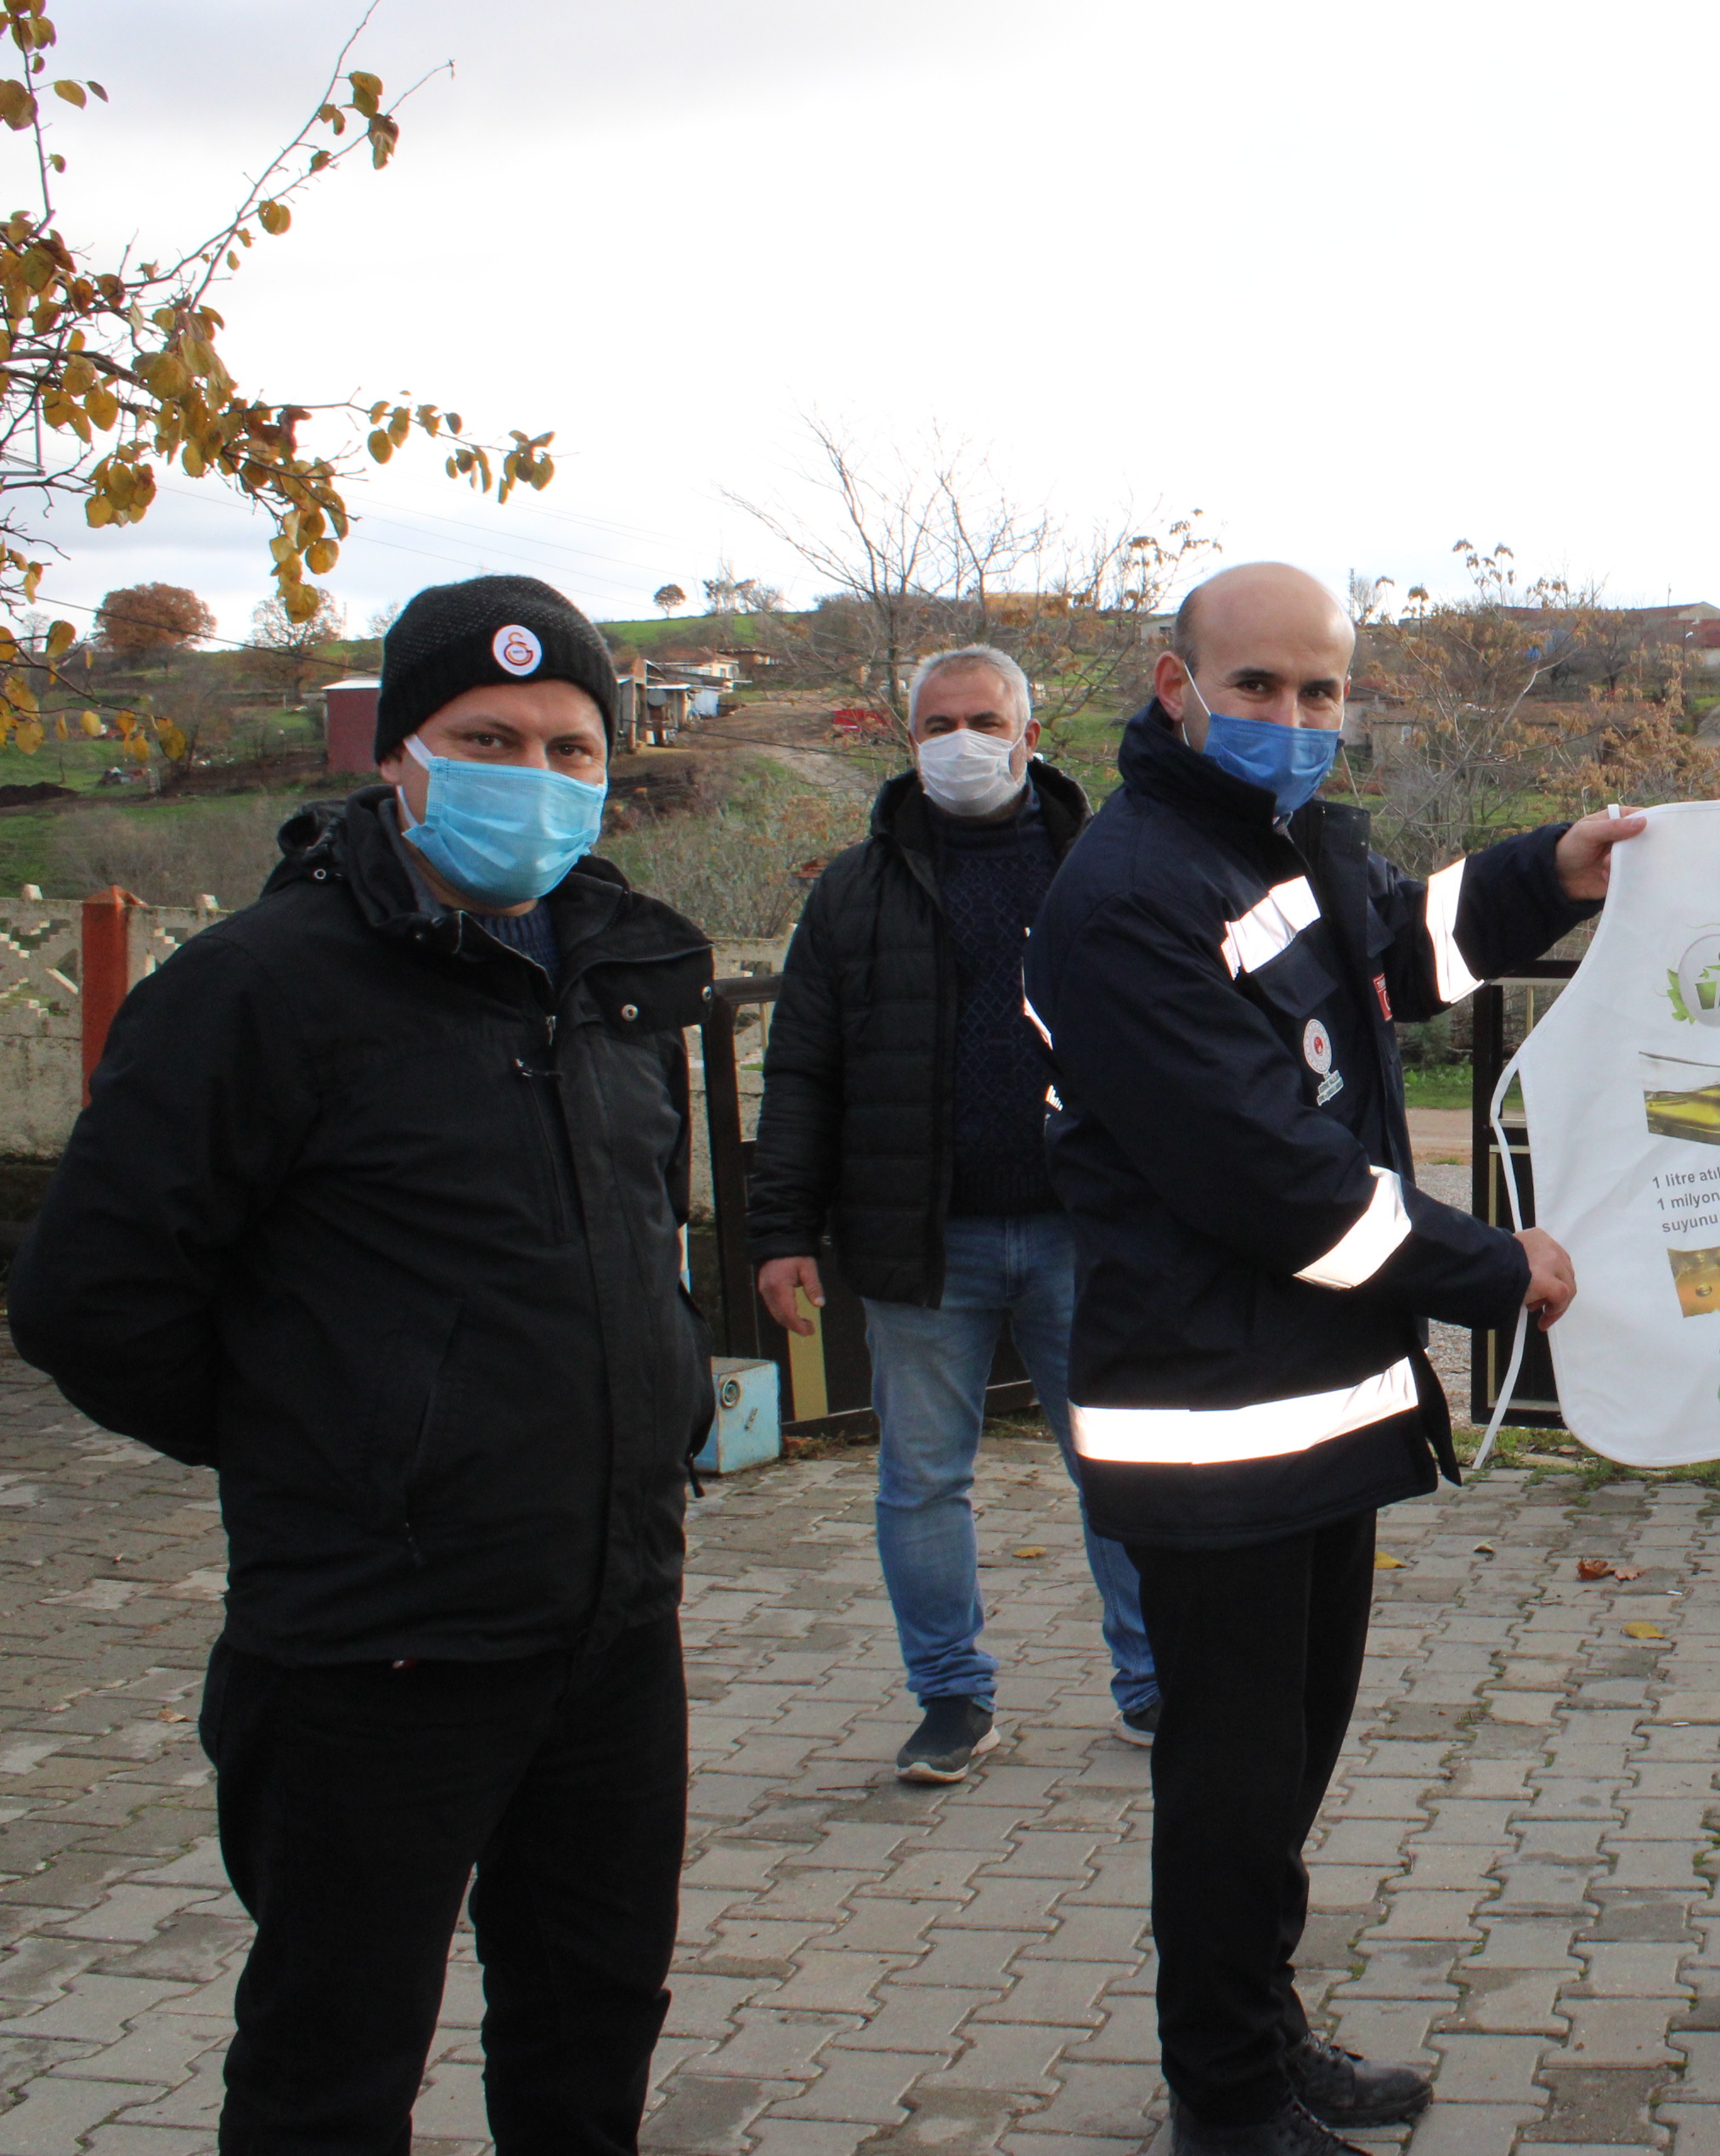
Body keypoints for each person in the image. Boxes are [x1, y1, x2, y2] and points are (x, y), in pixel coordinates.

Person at [9, 577, 713, 2156]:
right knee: (333, 2065)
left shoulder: (613, 990)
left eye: (569, 747)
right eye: (485, 737)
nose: (531, 776)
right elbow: (87, 1299)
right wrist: (334, 1448)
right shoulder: (262, 991)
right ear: (399, 756)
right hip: (371, 1650)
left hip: (610, 1624)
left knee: (593, 2026)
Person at [1024, 561, 1638, 2156]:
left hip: (1321, 1405)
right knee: (1229, 1787)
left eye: (1321, 693)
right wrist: (1493, 1268)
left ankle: (1261, 2030)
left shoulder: (1277, 842)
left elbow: (1398, 958)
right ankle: (1223, 2103)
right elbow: (1265, 1176)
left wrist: (1546, 873)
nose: (1295, 721)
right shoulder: (1129, 892)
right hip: (1211, 1424)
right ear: (1177, 685)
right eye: (1257, 689)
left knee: (1285, 1768)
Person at [747, 643, 1157, 1782]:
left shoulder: (1105, 866)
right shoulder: (852, 888)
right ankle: (951, 1699)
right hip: (923, 1242)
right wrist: (780, 1230)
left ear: (1030, 736)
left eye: (984, 720)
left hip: (1089, 1230)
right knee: (922, 1479)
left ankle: (1156, 1683)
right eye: (938, 724)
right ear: (908, 738)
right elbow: (803, 1070)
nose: (961, 741)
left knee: (1121, 1467)